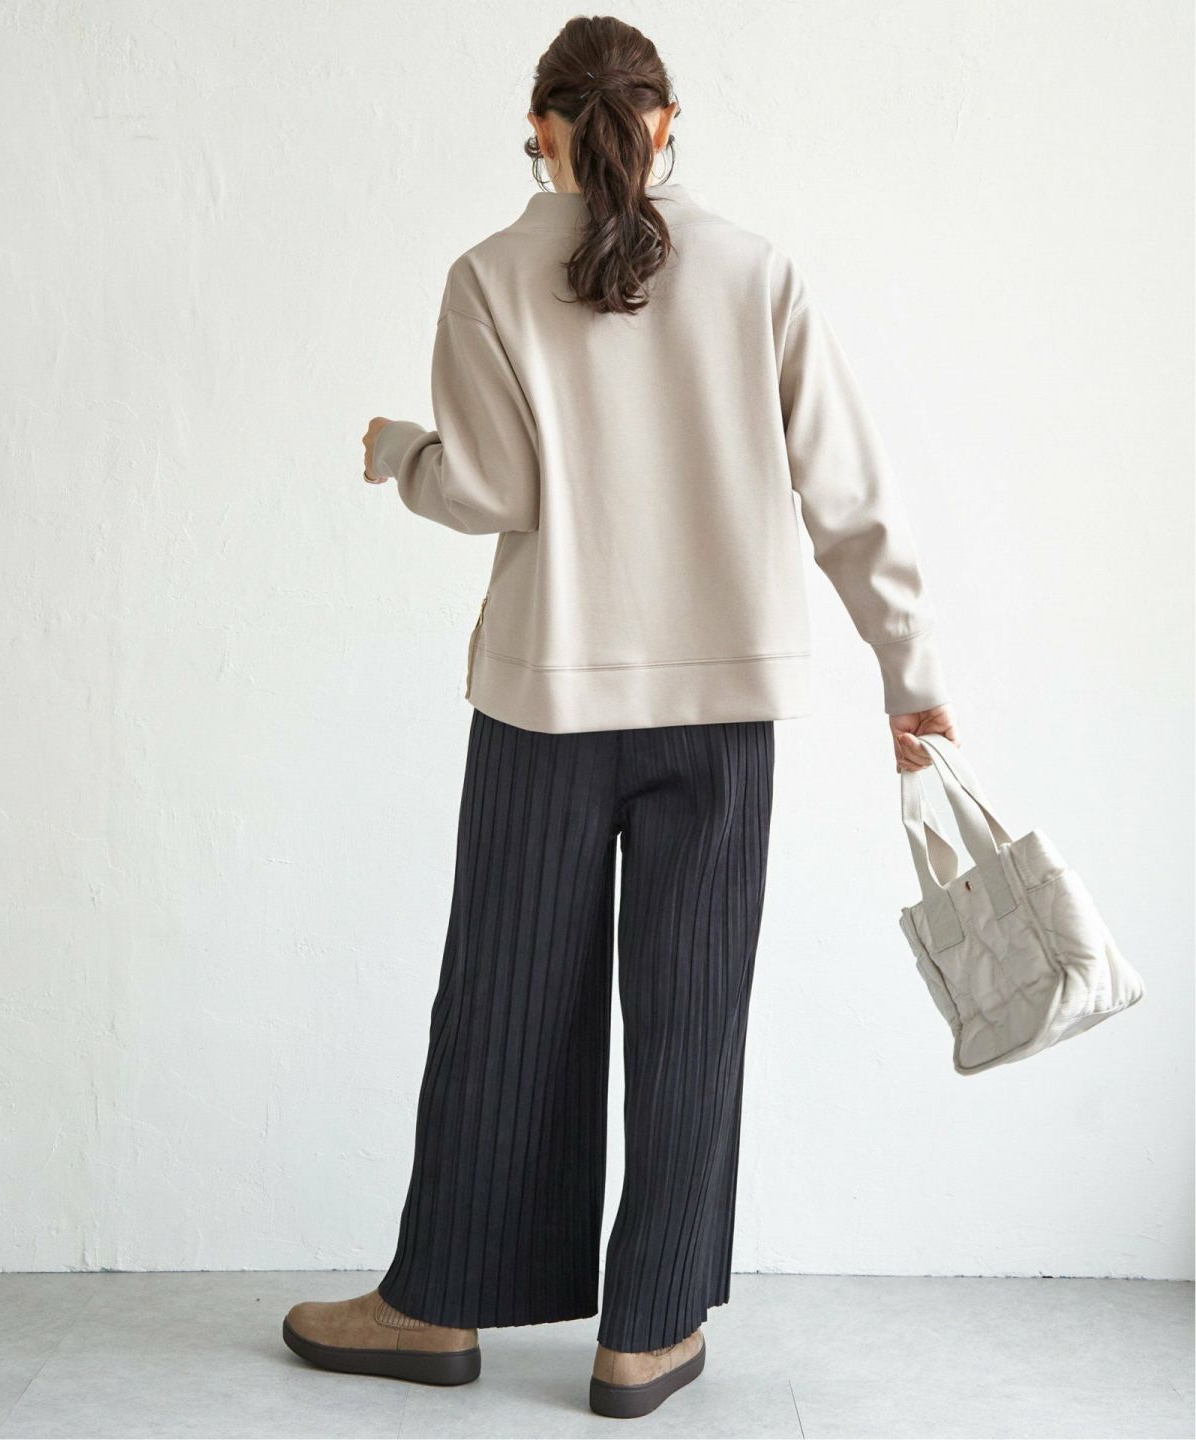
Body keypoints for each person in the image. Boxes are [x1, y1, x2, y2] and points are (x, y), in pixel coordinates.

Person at [281, 13, 959, 1421]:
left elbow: (493, 491)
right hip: (720, 710)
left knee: (503, 1002)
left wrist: (399, 454)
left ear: (541, 130)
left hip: (547, 696)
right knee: (691, 1011)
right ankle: (645, 1336)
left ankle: (437, 1305)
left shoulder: (486, 276)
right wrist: (911, 676)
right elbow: (851, 498)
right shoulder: (757, 272)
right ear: (667, 124)